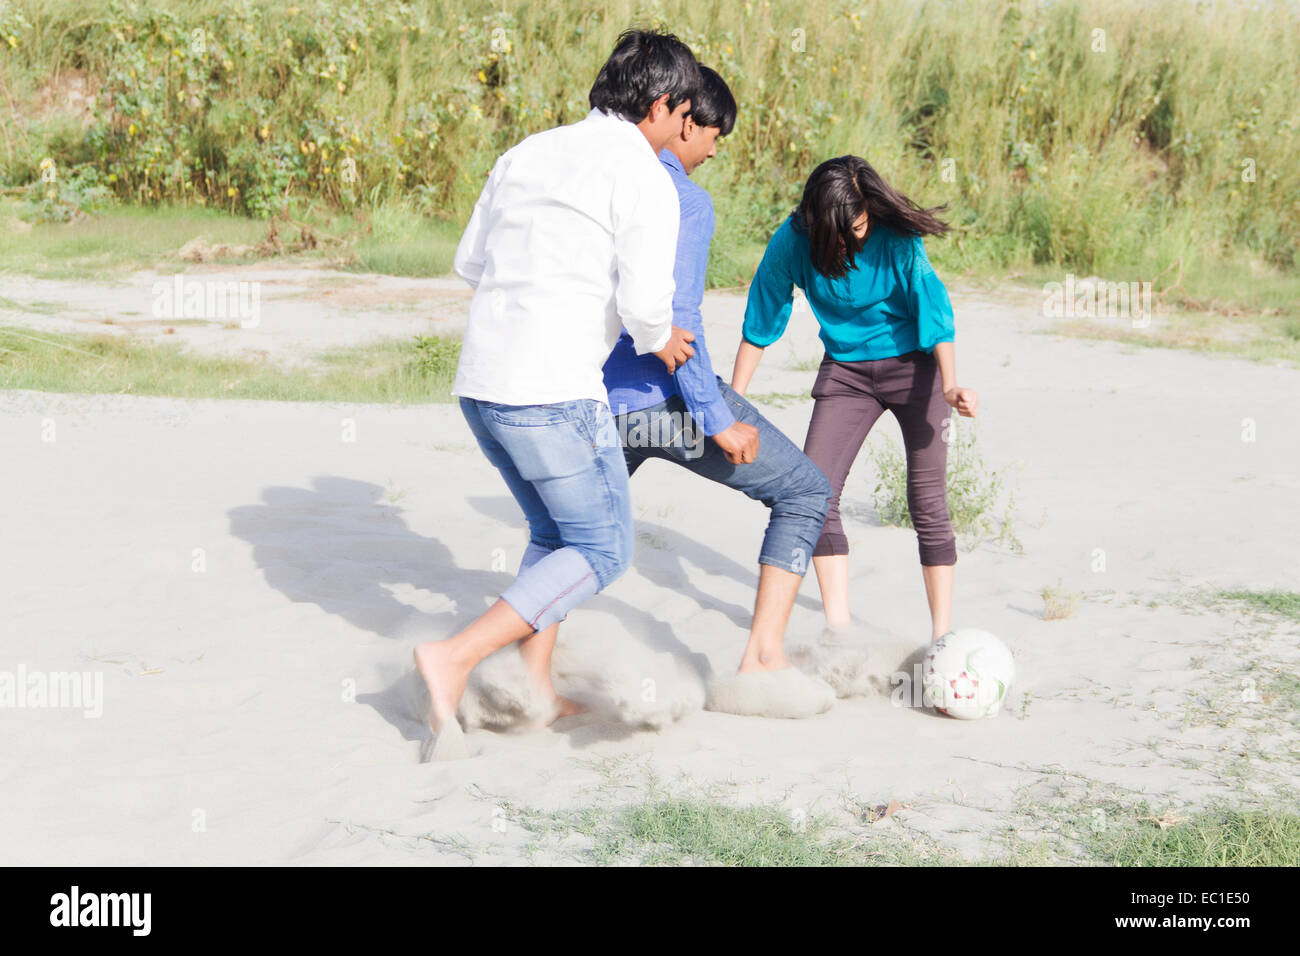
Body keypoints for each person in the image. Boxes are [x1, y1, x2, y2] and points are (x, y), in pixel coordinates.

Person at [412, 29, 700, 759]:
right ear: (662, 105)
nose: (686, 129)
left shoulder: (527, 152)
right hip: (554, 394)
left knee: (552, 536)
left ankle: (535, 692)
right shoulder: (646, 177)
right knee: (604, 549)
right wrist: (662, 336)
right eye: (684, 112)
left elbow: (469, 262)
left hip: (482, 386)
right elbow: (644, 306)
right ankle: (453, 657)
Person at [525, 66, 835, 718]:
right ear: (683, 119)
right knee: (805, 490)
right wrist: (716, 419)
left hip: (588, 403)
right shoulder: (683, 200)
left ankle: (529, 675)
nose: (717, 149)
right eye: (715, 133)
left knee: (559, 533)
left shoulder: (589, 178)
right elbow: (678, 324)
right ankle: (761, 661)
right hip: (663, 404)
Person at [731, 156, 979, 643]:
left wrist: (951, 384)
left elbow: (934, 307)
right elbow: (762, 317)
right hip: (846, 373)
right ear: (818, 222)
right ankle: (839, 629)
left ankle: (942, 637)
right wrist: (731, 401)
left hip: (915, 367)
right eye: (844, 230)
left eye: (861, 226)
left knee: (926, 501)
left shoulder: (898, 237)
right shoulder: (792, 241)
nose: (855, 238)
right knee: (814, 492)